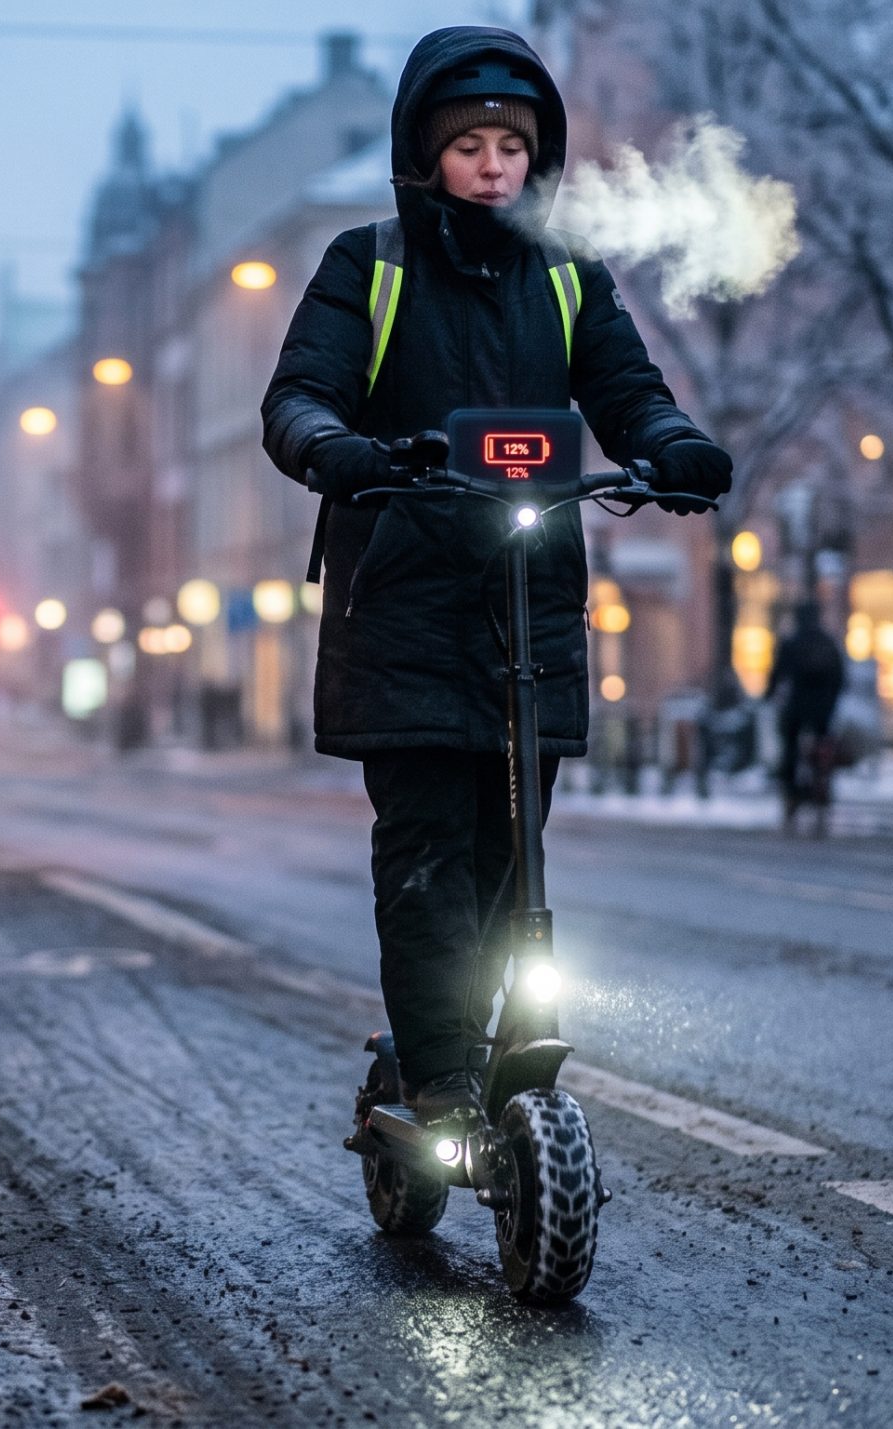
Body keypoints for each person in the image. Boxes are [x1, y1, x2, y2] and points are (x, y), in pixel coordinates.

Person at [261, 28, 730, 1127]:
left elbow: (627, 389)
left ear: (538, 157)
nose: (489, 163)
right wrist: (337, 448)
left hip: (529, 607)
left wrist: (675, 444)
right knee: (426, 853)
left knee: (511, 854)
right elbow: (298, 395)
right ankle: (439, 1080)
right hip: (406, 604)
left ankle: (499, 1050)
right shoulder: (365, 266)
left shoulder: (568, 278)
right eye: (466, 142)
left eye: (509, 144)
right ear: (425, 153)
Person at [769, 602, 846, 827]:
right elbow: (840, 676)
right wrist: (831, 702)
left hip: (798, 706)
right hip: (823, 708)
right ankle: (822, 789)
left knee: (790, 746)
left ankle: (792, 795)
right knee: (822, 748)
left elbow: (778, 674)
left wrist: (769, 695)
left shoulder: (792, 642)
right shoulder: (827, 642)